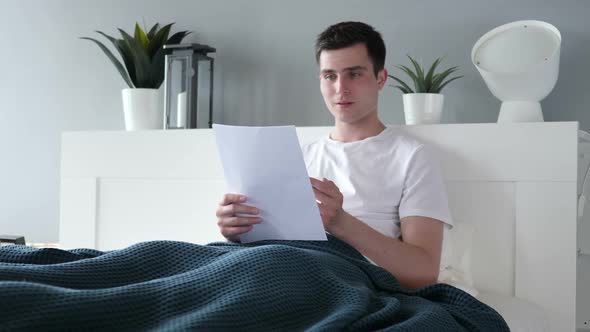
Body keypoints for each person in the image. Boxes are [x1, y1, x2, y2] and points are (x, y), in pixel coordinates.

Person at [215, 21, 453, 289]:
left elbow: (423, 272)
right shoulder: (295, 156)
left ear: (380, 78)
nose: (341, 88)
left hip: (341, 282)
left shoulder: (413, 157)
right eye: (330, 76)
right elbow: (266, 240)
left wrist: (340, 222)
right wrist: (236, 230)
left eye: (354, 74)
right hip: (275, 269)